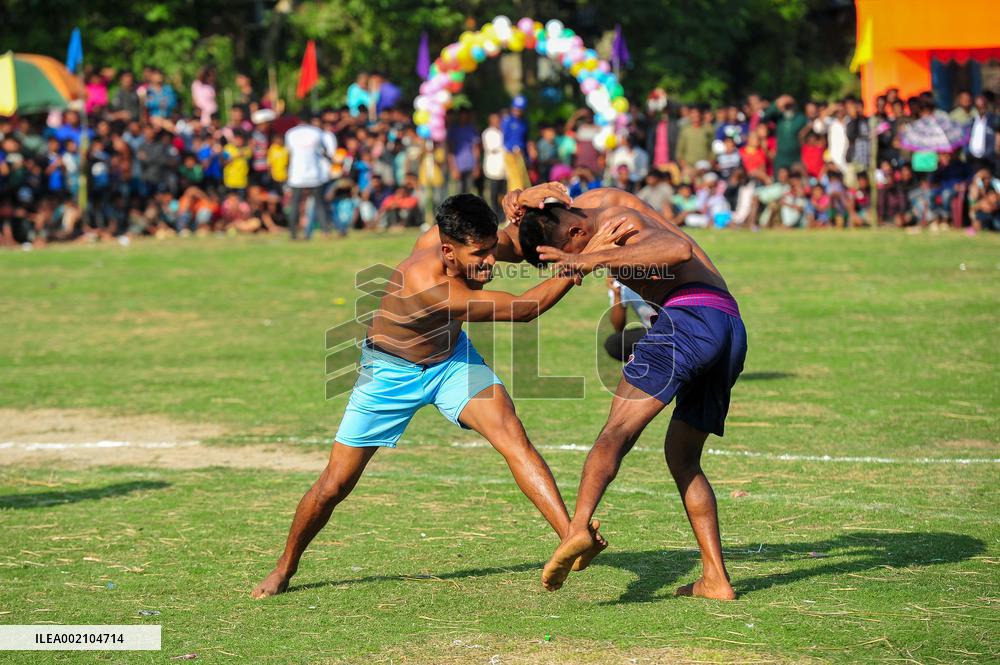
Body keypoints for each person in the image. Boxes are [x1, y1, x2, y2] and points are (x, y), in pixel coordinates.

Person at [252, 192, 621, 599]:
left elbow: (517, 241)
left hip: (450, 360)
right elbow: (523, 309)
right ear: (447, 250)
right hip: (390, 375)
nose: (489, 262)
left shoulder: (465, 237)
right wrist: (582, 265)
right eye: (479, 255)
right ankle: (284, 567)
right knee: (334, 485)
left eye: (490, 251)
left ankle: (572, 537)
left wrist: (518, 199)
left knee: (513, 437)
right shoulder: (427, 283)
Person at [517, 185, 747, 600]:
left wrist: (590, 257)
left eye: (568, 246)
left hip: (690, 318)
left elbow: (677, 248)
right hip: (727, 324)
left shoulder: (617, 221)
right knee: (682, 455)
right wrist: (514, 197)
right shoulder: (590, 210)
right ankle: (715, 578)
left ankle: (578, 528)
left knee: (614, 434)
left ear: (571, 231)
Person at [284, 111, 336, 239]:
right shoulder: (317, 132)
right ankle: (325, 232)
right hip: (314, 172)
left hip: (297, 173)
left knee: (295, 202)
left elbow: (289, 152)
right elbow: (326, 151)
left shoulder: (290, 133)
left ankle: (293, 234)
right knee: (319, 202)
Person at [481, 113, 506, 218]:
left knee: (503, 193)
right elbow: (492, 148)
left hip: (504, 170)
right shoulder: (487, 133)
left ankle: (503, 214)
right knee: (494, 193)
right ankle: (495, 214)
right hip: (493, 169)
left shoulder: (503, 132)